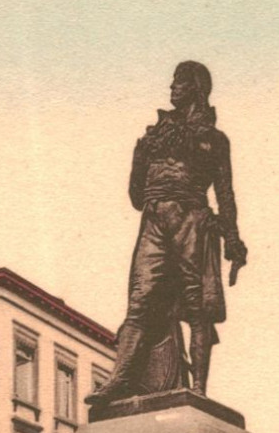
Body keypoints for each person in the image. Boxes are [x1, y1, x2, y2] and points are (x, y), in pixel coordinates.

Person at [85, 61, 247, 405]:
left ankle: (198, 389)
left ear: (196, 90)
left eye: (178, 84)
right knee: (140, 299)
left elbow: (225, 192)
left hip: (192, 219)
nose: (172, 89)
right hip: (155, 220)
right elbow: (134, 196)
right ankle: (120, 378)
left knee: (196, 304)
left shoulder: (214, 140)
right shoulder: (151, 136)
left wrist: (232, 237)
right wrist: (141, 157)